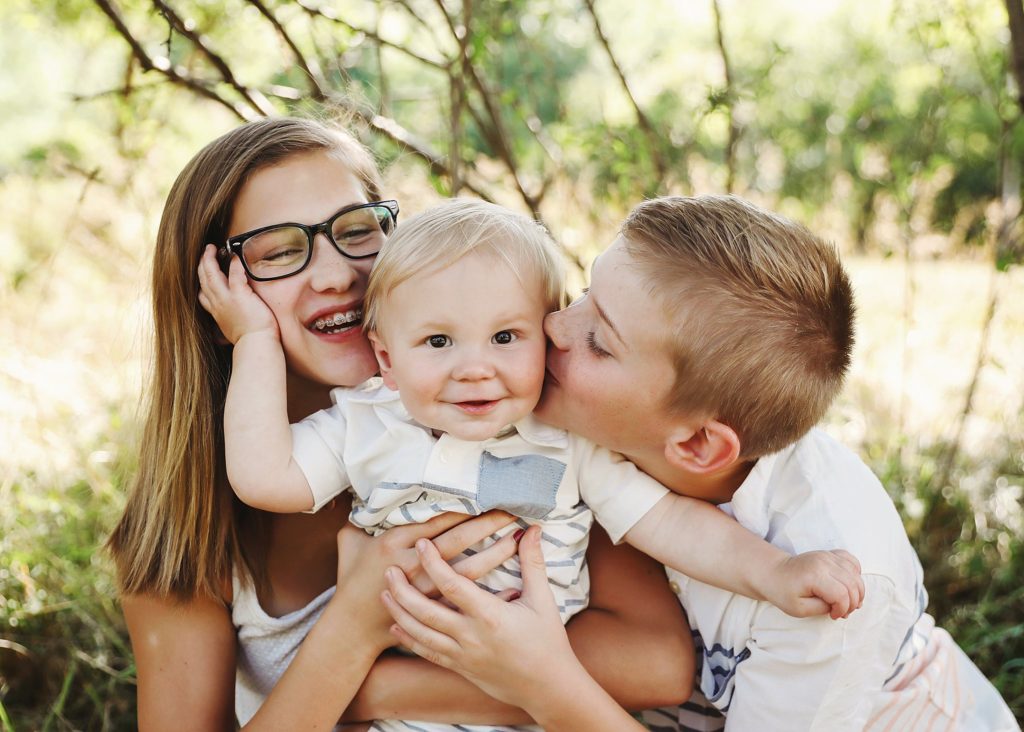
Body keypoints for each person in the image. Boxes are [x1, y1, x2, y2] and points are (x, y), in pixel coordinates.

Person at [106, 117, 697, 731]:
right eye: (280, 250)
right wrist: (352, 632)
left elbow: (655, 662)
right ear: (211, 293)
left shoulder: (513, 425)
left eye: (357, 231)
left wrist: (381, 689)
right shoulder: (184, 531)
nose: (338, 275)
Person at [199, 197, 864, 731]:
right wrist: (254, 341)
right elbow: (264, 477)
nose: (475, 366)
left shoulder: (562, 436)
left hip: (541, 703)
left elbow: (670, 522)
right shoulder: (369, 421)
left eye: (507, 336)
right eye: (437, 341)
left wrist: (774, 572)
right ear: (386, 357)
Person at [384, 195, 1020, 731]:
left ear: (696, 446)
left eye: (599, 342)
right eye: (582, 294)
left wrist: (544, 683)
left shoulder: (828, 603)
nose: (553, 324)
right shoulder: (610, 424)